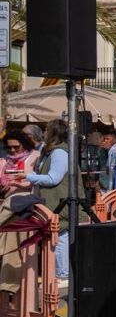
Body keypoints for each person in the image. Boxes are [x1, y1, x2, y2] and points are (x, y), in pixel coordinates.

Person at [22, 119, 75, 288]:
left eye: (46, 129)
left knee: (61, 236)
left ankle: (63, 275)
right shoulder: (51, 152)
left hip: (59, 201)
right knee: (56, 236)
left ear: (53, 132)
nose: (44, 132)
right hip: (51, 201)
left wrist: (27, 176)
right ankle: (58, 274)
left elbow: (54, 178)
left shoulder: (60, 153)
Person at [0, 130, 38, 197]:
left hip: (28, 198)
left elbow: (39, 179)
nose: (12, 150)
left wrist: (16, 184)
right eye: (9, 147)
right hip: (7, 198)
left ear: (24, 144)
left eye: (16, 147)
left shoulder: (36, 156)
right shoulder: (4, 161)